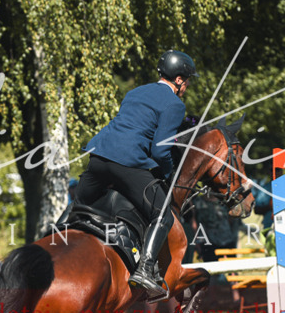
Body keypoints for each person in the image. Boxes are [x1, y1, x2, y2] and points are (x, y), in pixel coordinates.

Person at [73, 49, 197, 297]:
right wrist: (166, 173)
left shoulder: (135, 92)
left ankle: (51, 240)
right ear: (179, 79)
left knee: (77, 207)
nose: (187, 86)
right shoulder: (174, 103)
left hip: (98, 156)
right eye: (188, 80)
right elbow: (161, 149)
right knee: (162, 214)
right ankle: (145, 269)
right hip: (127, 162)